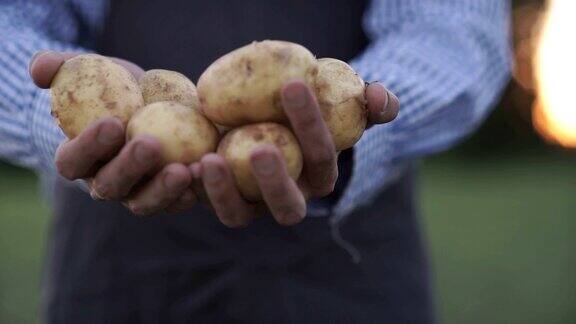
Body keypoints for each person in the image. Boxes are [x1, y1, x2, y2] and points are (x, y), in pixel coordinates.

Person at [0, 0, 511, 323]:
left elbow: (455, 27)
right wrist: (61, 118)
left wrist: (354, 122)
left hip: (350, 276)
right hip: (117, 274)